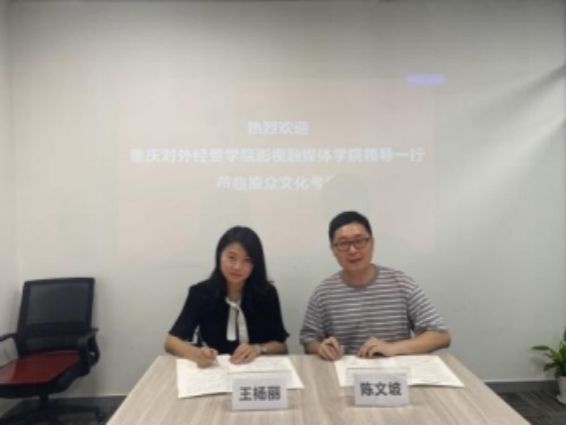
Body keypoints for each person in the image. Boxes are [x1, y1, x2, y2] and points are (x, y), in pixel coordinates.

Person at [300, 211, 450, 361]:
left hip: (396, 371)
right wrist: (321, 348)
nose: (352, 250)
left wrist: (394, 348)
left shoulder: (402, 284)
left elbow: (441, 335)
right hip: (345, 371)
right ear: (333, 250)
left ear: (372, 243)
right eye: (343, 244)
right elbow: (309, 341)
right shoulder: (323, 293)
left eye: (359, 241)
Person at [165, 226, 289, 367]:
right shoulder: (200, 293)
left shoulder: (266, 293)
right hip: (213, 369)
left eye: (247, 260)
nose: (237, 266)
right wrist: (197, 353)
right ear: (219, 255)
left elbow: (281, 346)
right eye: (231, 257)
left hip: (253, 370)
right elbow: (171, 342)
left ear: (255, 264)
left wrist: (258, 348)